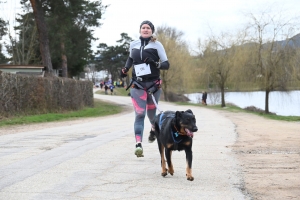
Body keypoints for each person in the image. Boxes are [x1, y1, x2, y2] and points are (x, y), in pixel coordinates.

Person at [120, 20, 170, 157]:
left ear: (152, 31)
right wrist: (125, 70)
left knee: (152, 116)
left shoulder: (157, 45)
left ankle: (154, 129)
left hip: (154, 86)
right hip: (138, 84)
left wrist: (155, 63)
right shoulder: (133, 44)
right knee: (140, 114)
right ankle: (138, 145)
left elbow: (166, 64)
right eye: (143, 27)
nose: (146, 29)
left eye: (148, 28)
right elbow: (130, 60)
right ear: (140, 30)